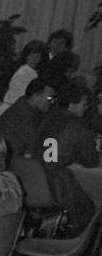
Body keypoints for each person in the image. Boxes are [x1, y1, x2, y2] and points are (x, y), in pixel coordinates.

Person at [36, 79, 100, 231]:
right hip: (61, 186)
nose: (86, 108)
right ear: (72, 103)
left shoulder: (47, 119)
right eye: (84, 104)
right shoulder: (78, 126)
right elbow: (91, 161)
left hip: (37, 180)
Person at [0, 77, 56, 158]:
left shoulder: (22, 108)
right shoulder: (23, 117)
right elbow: (33, 149)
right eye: (49, 98)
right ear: (35, 96)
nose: (52, 102)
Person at [0, 40, 47, 118]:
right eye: (32, 55)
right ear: (26, 55)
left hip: (16, 110)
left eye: (38, 56)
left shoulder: (33, 72)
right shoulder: (24, 72)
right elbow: (24, 97)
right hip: (10, 111)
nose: (34, 58)